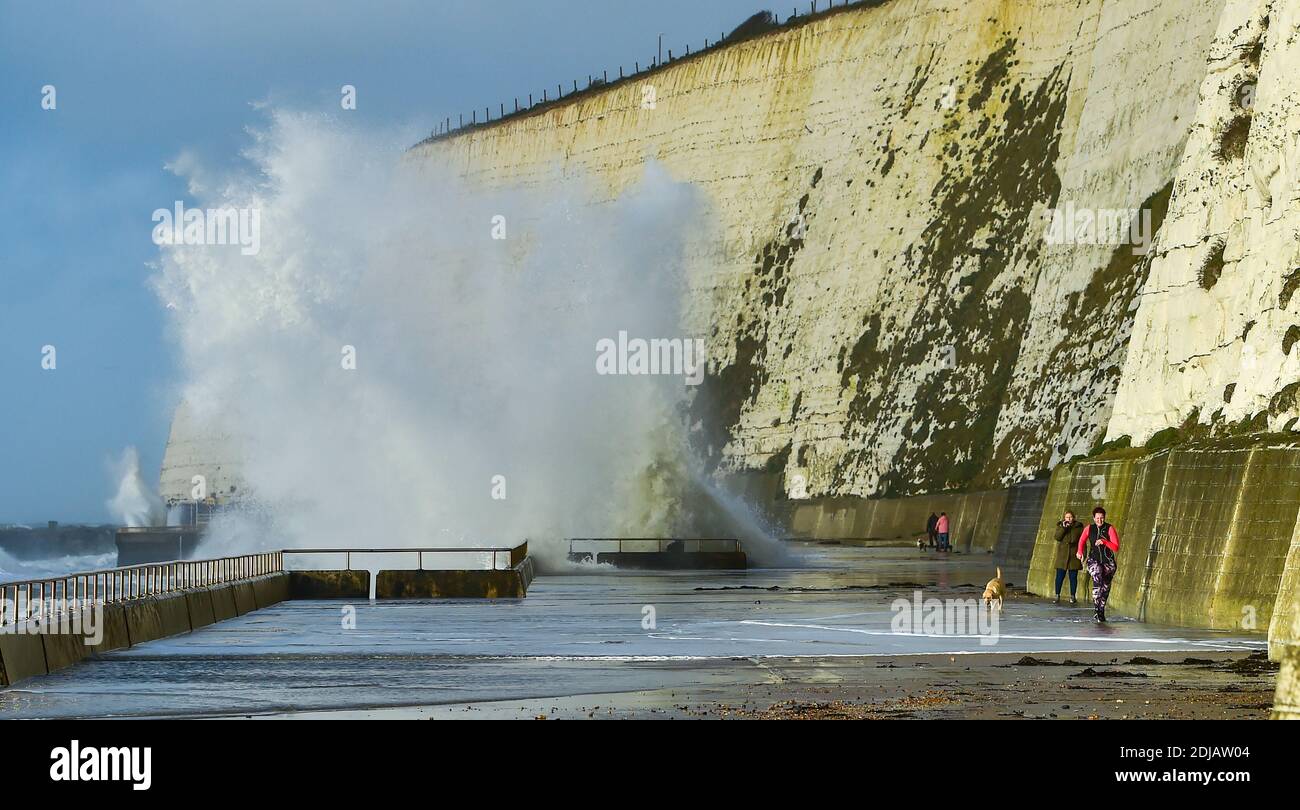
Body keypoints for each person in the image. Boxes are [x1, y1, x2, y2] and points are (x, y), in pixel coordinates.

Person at [1076, 505, 1120, 622]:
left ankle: (1100, 611)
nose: (1099, 520)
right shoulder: (1089, 528)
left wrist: (1104, 541)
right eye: (1097, 518)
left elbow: (1116, 547)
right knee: (1097, 577)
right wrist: (1080, 552)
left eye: (1102, 518)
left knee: (1105, 587)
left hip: (1108, 562)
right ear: (1093, 518)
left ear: (1104, 518)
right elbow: (1081, 540)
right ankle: (1096, 607)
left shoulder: (1110, 528)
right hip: (1093, 560)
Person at [1052, 510, 1083, 604]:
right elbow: (1057, 537)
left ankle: (1073, 596)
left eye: (1070, 517)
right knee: (1059, 577)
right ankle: (1057, 595)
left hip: (1074, 555)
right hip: (1062, 556)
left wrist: (1082, 553)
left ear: (1073, 518)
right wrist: (1063, 528)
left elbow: (1082, 541)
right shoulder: (1060, 526)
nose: (1069, 519)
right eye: (1067, 517)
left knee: (1073, 577)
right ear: (1064, 518)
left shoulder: (1079, 527)